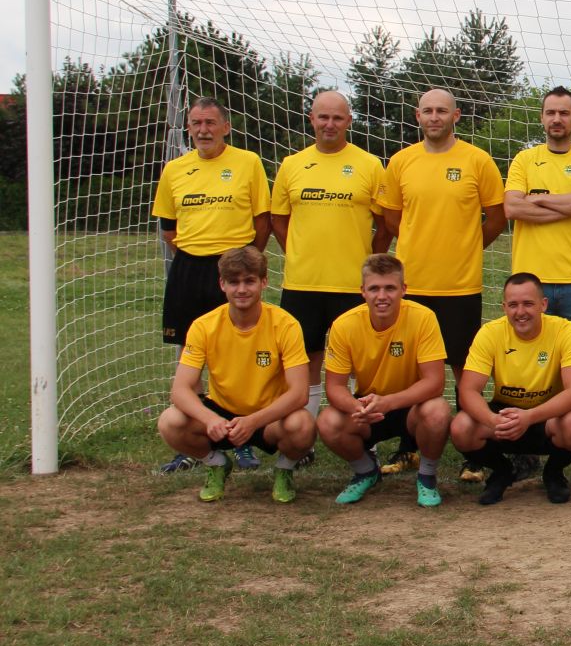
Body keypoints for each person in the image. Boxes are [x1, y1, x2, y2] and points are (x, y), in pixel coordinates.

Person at [376, 88, 506, 477]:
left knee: (466, 369)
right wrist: (418, 243)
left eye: (442, 111)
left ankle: (474, 452)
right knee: (411, 371)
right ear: (417, 116)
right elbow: (391, 219)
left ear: (456, 116)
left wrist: (466, 247)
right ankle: (408, 448)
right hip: (413, 286)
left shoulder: (477, 160)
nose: (435, 117)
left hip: (460, 287)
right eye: (428, 111)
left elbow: (497, 218)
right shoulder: (401, 161)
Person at [151, 97, 271, 474]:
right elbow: (168, 228)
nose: (203, 130)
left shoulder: (247, 162)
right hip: (189, 269)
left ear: (226, 127)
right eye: (196, 123)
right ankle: (198, 436)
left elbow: (262, 220)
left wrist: (244, 262)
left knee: (239, 349)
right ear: (188, 128)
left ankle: (242, 440)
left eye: (210, 123)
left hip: (233, 266)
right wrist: (197, 256)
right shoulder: (175, 169)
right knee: (190, 352)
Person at [155, 246, 314, 504]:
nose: (241, 289)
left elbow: (299, 393)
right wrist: (210, 419)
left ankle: (284, 470)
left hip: (268, 416)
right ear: (222, 284)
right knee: (170, 421)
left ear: (264, 282)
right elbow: (180, 390)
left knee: (303, 425)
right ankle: (216, 464)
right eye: (233, 282)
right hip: (222, 416)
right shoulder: (203, 326)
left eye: (249, 281)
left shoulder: (286, 324)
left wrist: (252, 422)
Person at [503, 86, 571, 481]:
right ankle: (525, 450)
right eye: (551, 112)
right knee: (525, 367)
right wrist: (566, 203)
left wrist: (537, 200)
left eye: (564, 113)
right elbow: (511, 207)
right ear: (542, 117)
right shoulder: (524, 159)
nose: (557, 119)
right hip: (531, 285)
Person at [271, 90, 389, 417]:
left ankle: (360, 427)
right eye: (323, 117)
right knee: (306, 358)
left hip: (352, 285)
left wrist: (369, 261)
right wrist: (298, 252)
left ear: (349, 121)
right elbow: (278, 220)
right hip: (302, 283)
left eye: (337, 118)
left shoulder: (369, 165)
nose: (329, 124)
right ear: (311, 119)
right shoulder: (292, 165)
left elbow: (385, 224)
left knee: (356, 362)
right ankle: (305, 428)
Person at [316, 254, 452, 507]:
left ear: (403, 289)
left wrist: (388, 402)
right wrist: (356, 407)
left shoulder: (423, 317)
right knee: (328, 421)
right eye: (374, 289)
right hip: (368, 406)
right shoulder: (344, 325)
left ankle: (427, 476)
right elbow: (334, 387)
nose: (382, 296)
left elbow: (435, 383)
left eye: (390, 288)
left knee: (438, 411)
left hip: (411, 406)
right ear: (362, 291)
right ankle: (366, 471)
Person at [451, 273, 571, 506]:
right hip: (504, 416)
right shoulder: (490, 333)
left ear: (543, 305)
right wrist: (493, 420)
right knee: (461, 427)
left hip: (546, 415)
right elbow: (468, 391)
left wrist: (529, 417)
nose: (520, 312)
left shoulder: (566, 331)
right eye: (513, 305)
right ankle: (502, 471)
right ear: (504, 307)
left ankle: (553, 473)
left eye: (528, 304)